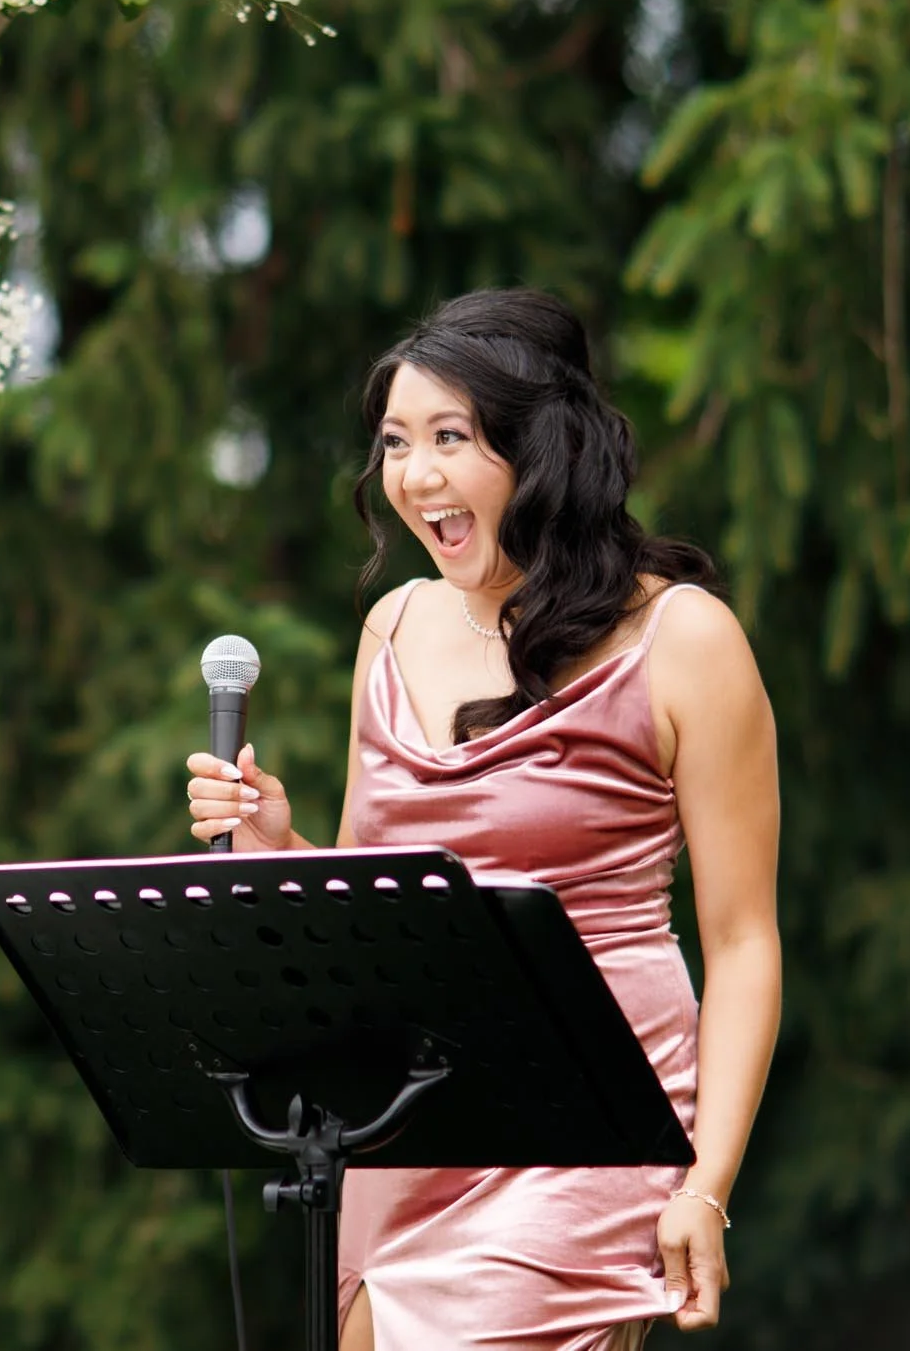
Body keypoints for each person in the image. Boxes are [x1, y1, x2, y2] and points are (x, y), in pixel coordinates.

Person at [186, 289, 784, 1350]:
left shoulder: (683, 638)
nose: (414, 476)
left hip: (586, 1125)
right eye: (395, 443)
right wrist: (284, 845)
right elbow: (388, 911)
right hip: (402, 1113)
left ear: (540, 445)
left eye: (450, 438)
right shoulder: (395, 621)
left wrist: (708, 1182)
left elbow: (741, 940)